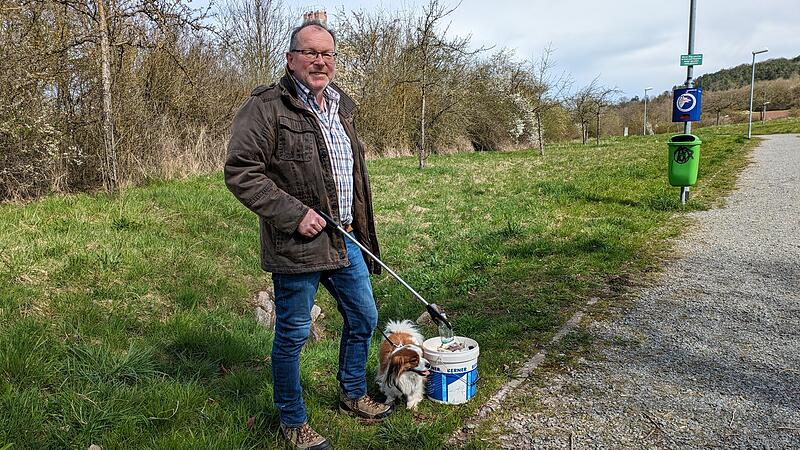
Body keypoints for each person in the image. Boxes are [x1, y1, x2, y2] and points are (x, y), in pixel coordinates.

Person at [224, 18, 392, 450]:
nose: (320, 61)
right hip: (298, 245)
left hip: (346, 238)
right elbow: (242, 172)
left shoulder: (342, 106)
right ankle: (293, 421)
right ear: (291, 58)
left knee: (364, 318)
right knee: (294, 335)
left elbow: (352, 178)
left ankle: (352, 393)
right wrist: (294, 214)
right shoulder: (266, 106)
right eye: (311, 52)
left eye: (327, 54)